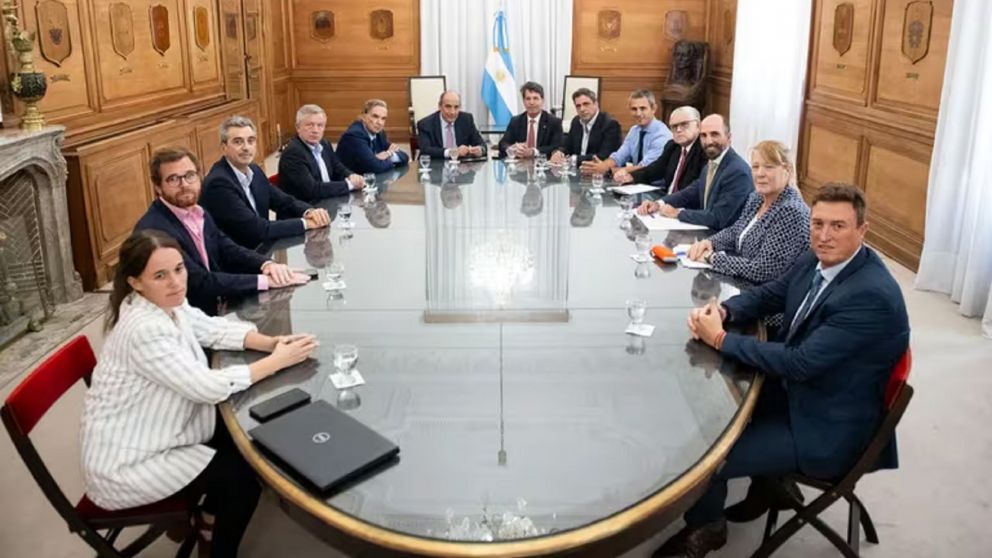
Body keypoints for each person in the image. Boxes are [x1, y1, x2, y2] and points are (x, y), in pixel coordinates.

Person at [654, 183, 910, 557]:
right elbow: (772, 293)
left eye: (838, 226)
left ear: (862, 231)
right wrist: (726, 311)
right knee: (705, 408)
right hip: (806, 391)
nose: (824, 236)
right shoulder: (816, 257)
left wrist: (721, 340)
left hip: (826, 425)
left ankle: (707, 527)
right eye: (817, 223)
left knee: (705, 452)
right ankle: (768, 485)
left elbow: (799, 361)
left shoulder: (870, 295)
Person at [80, 230, 318, 558]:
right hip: (128, 462)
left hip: (158, 429)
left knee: (249, 435)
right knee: (244, 475)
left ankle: (207, 517)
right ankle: (218, 548)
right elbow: (206, 386)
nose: (176, 282)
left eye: (179, 269)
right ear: (135, 282)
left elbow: (210, 328)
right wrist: (276, 362)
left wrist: (271, 343)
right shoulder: (144, 329)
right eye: (160, 275)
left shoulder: (164, 303)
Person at [135, 147, 308, 315]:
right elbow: (198, 282)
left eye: (190, 176)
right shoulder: (154, 230)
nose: (184, 185)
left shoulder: (198, 211)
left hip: (215, 306)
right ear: (158, 187)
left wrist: (267, 265)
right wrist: (264, 281)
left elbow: (227, 248)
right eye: (173, 179)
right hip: (183, 319)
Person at [685, 140, 810, 287]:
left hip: (771, 301)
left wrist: (712, 258)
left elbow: (763, 270)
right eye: (755, 167)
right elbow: (736, 231)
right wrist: (710, 243)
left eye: (768, 167)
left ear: (787, 170)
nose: (759, 174)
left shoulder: (791, 211)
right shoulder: (756, 198)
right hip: (744, 287)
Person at [200, 116, 330, 249]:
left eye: (251, 141)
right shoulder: (218, 184)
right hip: (236, 260)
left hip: (261, 249)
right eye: (238, 142)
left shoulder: (255, 170)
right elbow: (256, 229)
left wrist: (309, 212)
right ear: (224, 147)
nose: (246, 147)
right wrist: (306, 223)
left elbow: (284, 201)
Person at [637, 114, 751, 231]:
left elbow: (718, 218)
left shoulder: (738, 171)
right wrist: (658, 203)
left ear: (729, 137)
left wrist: (677, 213)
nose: (708, 141)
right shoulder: (711, 164)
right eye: (703, 135)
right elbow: (691, 192)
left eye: (715, 134)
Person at [278, 104, 365, 202]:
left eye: (320, 125)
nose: (315, 130)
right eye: (309, 125)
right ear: (298, 127)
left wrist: (351, 175)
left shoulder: (324, 143)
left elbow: (337, 166)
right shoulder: (293, 153)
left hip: (327, 201)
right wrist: (350, 184)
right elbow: (313, 190)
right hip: (306, 210)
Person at [613, 105, 706, 193]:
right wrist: (631, 176)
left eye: (684, 124)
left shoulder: (704, 150)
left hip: (686, 205)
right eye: (674, 126)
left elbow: (696, 188)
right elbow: (655, 169)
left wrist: (664, 202)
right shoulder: (673, 146)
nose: (678, 130)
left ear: (698, 126)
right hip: (666, 200)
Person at [580, 89, 672, 176]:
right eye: (634, 109)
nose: (638, 113)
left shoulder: (662, 135)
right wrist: (603, 166)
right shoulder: (634, 131)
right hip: (634, 183)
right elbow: (619, 157)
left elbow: (644, 167)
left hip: (656, 187)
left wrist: (608, 170)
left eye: (643, 108)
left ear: (654, 109)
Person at [336, 99, 410, 174]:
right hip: (350, 183)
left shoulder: (380, 133)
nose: (379, 122)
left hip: (370, 181)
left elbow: (404, 157)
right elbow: (375, 168)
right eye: (375, 116)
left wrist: (388, 154)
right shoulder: (354, 135)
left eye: (383, 118)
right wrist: (379, 159)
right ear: (364, 116)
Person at [550, 88, 622, 165]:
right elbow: (567, 146)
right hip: (576, 170)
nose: (582, 109)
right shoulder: (576, 121)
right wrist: (559, 152)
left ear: (596, 104)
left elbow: (603, 156)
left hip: (599, 171)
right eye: (578, 106)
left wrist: (573, 159)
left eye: (586, 104)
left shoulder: (610, 124)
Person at [498, 81, 563, 159]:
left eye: (535, 98)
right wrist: (512, 148)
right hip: (520, 166)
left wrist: (533, 151)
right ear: (523, 101)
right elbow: (503, 143)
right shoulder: (516, 121)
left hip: (543, 166)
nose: (531, 102)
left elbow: (557, 147)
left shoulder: (554, 122)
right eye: (528, 99)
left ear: (542, 100)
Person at [417, 90, 487, 160]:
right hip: (435, 167)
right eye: (448, 106)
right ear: (440, 106)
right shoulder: (425, 124)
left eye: (456, 107)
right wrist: (453, 152)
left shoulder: (466, 120)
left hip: (461, 168)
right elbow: (425, 150)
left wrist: (480, 150)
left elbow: (482, 144)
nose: (452, 112)